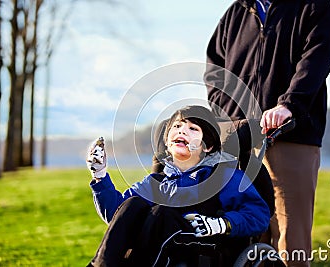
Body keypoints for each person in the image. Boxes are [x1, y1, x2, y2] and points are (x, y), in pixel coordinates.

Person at [204, 1, 330, 266]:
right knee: (243, 233)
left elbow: (317, 57)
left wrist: (289, 105)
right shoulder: (236, 12)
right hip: (238, 138)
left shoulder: (314, 6)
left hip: (291, 135)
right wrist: (225, 117)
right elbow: (214, 71)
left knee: (291, 237)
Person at [86, 105, 271, 266]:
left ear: (207, 146)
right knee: (132, 204)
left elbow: (259, 215)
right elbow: (116, 215)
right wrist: (100, 177)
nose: (182, 131)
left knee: (162, 214)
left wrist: (222, 224)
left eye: (193, 129)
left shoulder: (225, 176)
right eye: (177, 126)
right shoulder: (155, 182)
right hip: (154, 249)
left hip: (204, 247)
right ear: (167, 142)